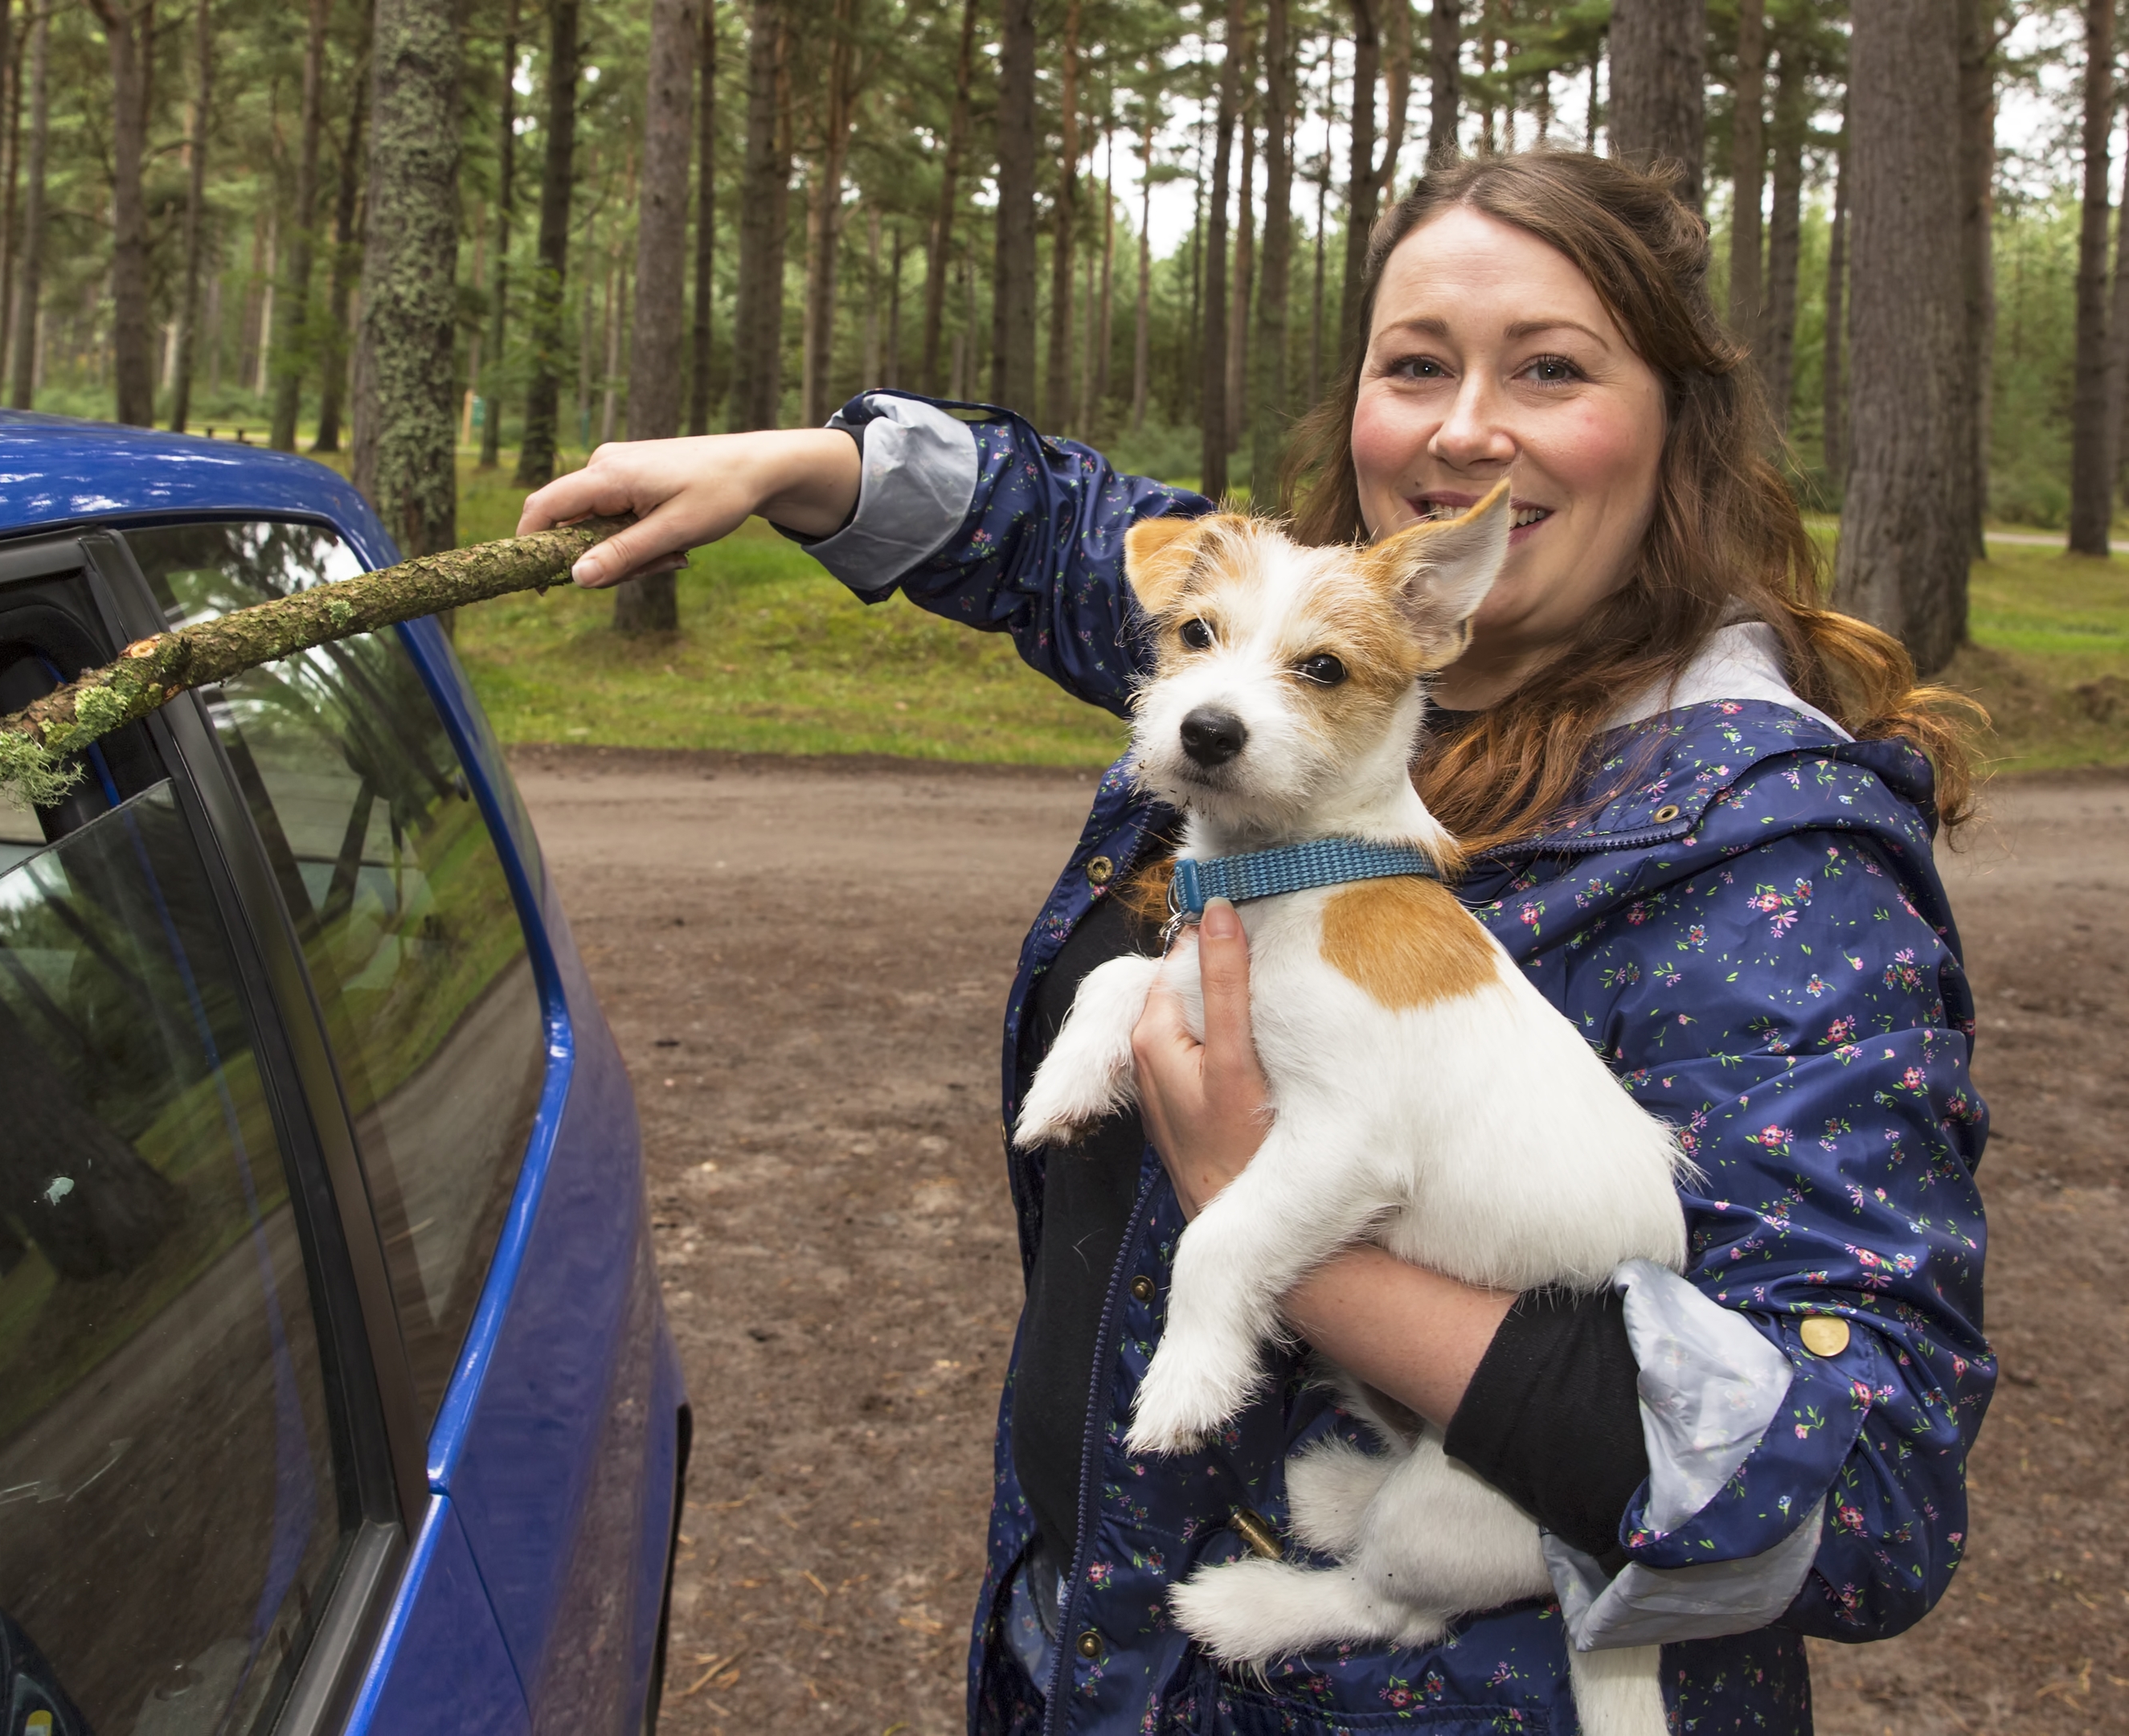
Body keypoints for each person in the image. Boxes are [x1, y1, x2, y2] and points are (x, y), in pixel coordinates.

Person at [518, 151, 1993, 1736]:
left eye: (1550, 369)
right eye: (1414, 365)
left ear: (1674, 426)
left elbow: (1863, 1485)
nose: (1460, 428)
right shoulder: (1298, 652)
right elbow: (1077, 536)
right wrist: (803, 465)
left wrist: (1286, 1231)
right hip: (1097, 1655)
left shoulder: (1763, 849)